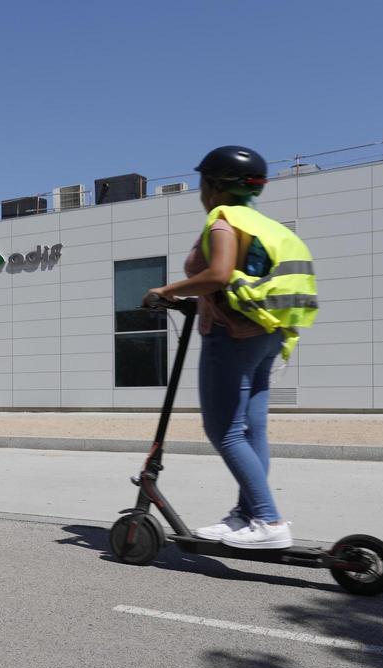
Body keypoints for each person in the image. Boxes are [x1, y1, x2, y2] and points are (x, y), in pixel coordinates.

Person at [144, 145, 316, 551]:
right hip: (268, 333)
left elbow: (219, 275)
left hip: (231, 336)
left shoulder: (223, 220)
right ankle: (248, 516)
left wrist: (163, 290)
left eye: (203, 183)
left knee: (223, 430)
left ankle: (268, 520)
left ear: (215, 185)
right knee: (252, 431)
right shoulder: (266, 225)